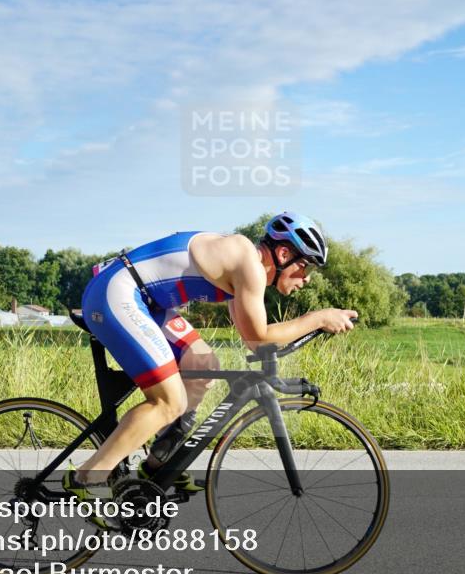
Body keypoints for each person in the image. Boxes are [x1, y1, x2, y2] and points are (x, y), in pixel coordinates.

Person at [63, 212, 356, 523]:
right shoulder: (248, 264)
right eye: (305, 266)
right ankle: (88, 479)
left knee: (203, 364)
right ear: (284, 254)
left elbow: (255, 343)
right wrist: (318, 318)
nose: (306, 277)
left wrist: (312, 328)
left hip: (143, 299)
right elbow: (259, 336)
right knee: (167, 401)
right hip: (117, 293)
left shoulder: (244, 267)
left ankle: (158, 465)